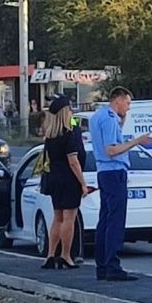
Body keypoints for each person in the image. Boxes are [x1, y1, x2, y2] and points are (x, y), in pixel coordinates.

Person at [89, 87, 152, 281]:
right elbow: (111, 149)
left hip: (104, 173)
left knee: (105, 220)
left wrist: (122, 121)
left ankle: (102, 265)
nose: (129, 107)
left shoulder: (99, 116)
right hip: (114, 171)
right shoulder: (109, 119)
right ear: (118, 100)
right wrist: (137, 141)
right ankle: (112, 266)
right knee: (115, 221)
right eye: (127, 103)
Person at [40, 96, 87, 270]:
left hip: (54, 178)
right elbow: (73, 160)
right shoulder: (71, 133)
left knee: (57, 217)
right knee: (69, 218)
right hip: (69, 179)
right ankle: (66, 255)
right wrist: (82, 182)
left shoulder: (50, 135)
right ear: (65, 112)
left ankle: (50, 254)